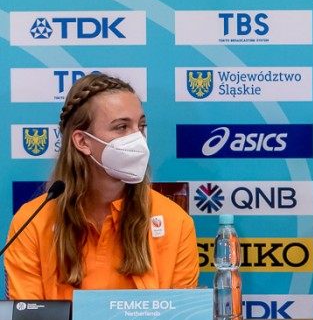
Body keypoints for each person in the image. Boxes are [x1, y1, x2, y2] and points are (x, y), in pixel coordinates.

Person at [4, 73, 199, 300]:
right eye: (121, 127)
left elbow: (181, 319)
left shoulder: (176, 222)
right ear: (82, 141)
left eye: (141, 126)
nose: (138, 139)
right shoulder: (32, 224)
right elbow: (27, 319)